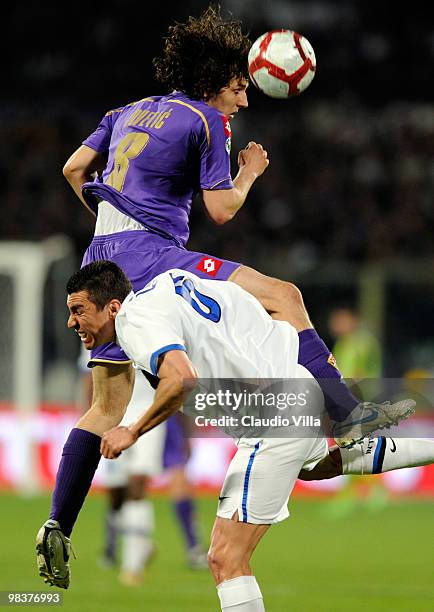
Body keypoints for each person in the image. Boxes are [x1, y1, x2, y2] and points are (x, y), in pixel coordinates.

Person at [37, 6, 414, 588]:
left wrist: (111, 222)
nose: (243, 100)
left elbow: (73, 168)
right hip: (154, 252)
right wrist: (250, 174)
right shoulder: (206, 119)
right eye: (240, 88)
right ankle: (344, 412)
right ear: (217, 82)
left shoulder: (126, 111)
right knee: (283, 295)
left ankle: (59, 523)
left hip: (102, 258)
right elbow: (220, 210)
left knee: (106, 408)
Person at [37, 262, 429, 608]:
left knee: (225, 557)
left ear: (113, 307)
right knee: (315, 467)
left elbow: (182, 379)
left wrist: (132, 430)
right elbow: (249, 307)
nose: (72, 322)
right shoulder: (175, 282)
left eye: (79, 310)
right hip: (297, 385)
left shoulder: (134, 323)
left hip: (273, 415)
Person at [77, 358, 207, 584]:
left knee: (137, 484)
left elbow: (179, 378)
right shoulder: (97, 328)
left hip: (148, 418)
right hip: (111, 417)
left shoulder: (152, 327)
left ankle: (132, 564)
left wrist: (187, 429)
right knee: (116, 492)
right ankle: (135, 546)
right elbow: (90, 377)